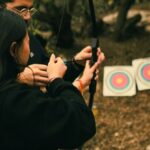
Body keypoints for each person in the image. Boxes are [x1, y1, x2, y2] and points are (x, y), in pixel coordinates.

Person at [0, 9, 105, 150]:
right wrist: (57, 79)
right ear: (13, 50)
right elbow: (81, 123)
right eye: (27, 41)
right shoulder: (17, 101)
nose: (27, 15)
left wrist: (74, 65)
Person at [0, 0, 99, 87]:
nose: (28, 17)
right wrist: (18, 79)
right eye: (21, 9)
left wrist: (75, 64)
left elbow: (49, 72)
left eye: (30, 10)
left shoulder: (29, 39)